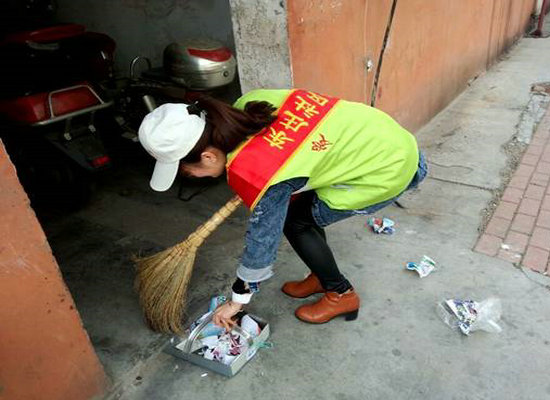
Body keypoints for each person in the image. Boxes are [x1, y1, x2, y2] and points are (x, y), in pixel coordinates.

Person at [138, 89, 427, 330]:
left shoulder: (257, 171)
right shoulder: (248, 105)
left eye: (188, 172)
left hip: (385, 169)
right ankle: (321, 274)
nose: (191, 177)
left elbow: (262, 239)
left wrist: (237, 300)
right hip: (386, 138)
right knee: (297, 211)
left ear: (209, 156)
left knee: (295, 222)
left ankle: (341, 294)